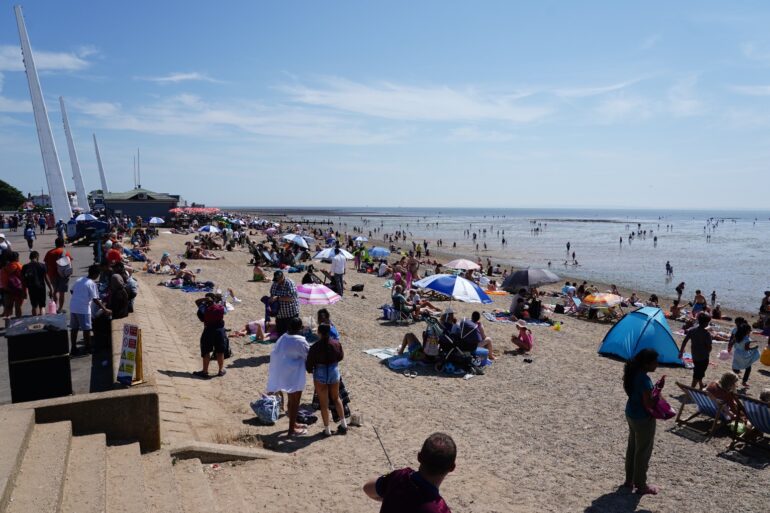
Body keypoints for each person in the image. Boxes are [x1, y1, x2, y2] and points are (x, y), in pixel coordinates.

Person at [363, 432, 456, 512]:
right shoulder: (440, 509)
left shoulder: (399, 477)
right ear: (452, 468)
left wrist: (390, 492)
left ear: (419, 457)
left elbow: (367, 488)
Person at [623, 348, 660, 496]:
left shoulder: (633, 374)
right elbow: (649, 404)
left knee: (632, 448)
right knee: (643, 452)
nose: (657, 364)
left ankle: (629, 480)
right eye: (655, 362)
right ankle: (641, 484)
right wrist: (657, 393)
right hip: (643, 418)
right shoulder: (644, 379)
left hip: (631, 413)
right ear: (646, 364)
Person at [266, 317, 310, 437]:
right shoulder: (300, 341)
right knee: (295, 402)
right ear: (300, 328)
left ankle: (293, 423)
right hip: (294, 374)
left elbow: (275, 353)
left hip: (284, 373)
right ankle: (291, 430)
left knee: (291, 400)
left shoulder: (283, 337)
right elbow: (308, 356)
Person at [306, 324, 347, 436]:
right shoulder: (336, 344)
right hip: (333, 370)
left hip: (320, 372)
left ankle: (327, 430)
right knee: (336, 398)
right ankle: (344, 425)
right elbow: (341, 356)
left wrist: (310, 370)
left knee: (324, 404)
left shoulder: (315, 347)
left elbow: (309, 364)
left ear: (319, 332)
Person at [69, 265, 111, 355]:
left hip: (73, 307)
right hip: (83, 309)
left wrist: (79, 297)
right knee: (86, 329)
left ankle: (73, 348)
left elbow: (72, 291)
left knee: (74, 328)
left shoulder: (79, 280)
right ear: (96, 274)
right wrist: (105, 309)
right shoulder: (91, 283)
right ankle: (88, 349)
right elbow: (95, 299)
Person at [193, 293, 227, 378]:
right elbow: (225, 311)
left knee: (206, 351)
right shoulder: (220, 307)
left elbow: (197, 304)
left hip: (208, 330)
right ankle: (220, 370)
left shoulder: (204, 308)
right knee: (220, 351)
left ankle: (205, 371)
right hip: (220, 331)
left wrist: (204, 301)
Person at [678, 312, 713, 389]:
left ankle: (701, 385)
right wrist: (708, 352)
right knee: (698, 373)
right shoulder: (706, 333)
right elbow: (709, 346)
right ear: (707, 323)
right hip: (703, 357)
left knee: (698, 370)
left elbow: (685, 341)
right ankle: (692, 388)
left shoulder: (692, 330)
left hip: (694, 355)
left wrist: (681, 352)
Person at [728, 322, 760, 388]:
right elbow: (747, 348)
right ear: (747, 331)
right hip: (744, 355)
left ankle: (732, 382)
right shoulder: (747, 339)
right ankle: (744, 382)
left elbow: (731, 343)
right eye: (750, 330)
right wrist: (755, 347)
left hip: (736, 353)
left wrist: (729, 349)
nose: (750, 331)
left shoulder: (736, 337)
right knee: (748, 367)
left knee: (735, 367)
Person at [44, 238, 72, 313]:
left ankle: (54, 308)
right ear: (63, 243)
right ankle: (60, 309)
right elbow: (69, 263)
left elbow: (46, 265)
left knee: (55, 291)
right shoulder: (65, 252)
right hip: (63, 275)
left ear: (55, 243)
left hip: (52, 275)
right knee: (62, 293)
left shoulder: (49, 253)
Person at [21, 251, 53, 316]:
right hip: (41, 287)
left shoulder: (25, 267)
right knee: (42, 306)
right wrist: (51, 288)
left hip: (31, 288)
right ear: (37, 257)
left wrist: (24, 291)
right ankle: (42, 320)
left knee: (34, 306)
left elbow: (23, 280)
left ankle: (35, 321)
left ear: (30, 257)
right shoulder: (42, 266)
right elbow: (46, 278)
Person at [269, 270, 300, 336]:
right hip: (279, 315)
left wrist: (278, 298)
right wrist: (271, 299)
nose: (277, 282)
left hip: (290, 314)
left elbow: (291, 298)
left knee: (291, 335)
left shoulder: (290, 283)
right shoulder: (275, 283)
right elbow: (272, 294)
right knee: (280, 335)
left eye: (278, 279)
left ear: (282, 277)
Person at [2, 252, 24, 318]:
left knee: (8, 308)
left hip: (7, 290)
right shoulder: (20, 266)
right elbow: (23, 279)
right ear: (17, 258)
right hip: (18, 289)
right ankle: (19, 322)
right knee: (18, 307)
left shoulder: (4, 268)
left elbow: (2, 280)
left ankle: (7, 324)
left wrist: (5, 288)